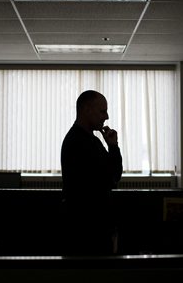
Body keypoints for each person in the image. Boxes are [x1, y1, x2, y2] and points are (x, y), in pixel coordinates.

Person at [60, 90, 123, 255]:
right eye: (102, 111)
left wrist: (112, 146)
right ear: (87, 110)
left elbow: (112, 175)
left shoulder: (86, 139)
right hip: (88, 227)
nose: (107, 116)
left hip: (87, 224)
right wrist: (113, 148)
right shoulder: (80, 142)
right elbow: (112, 177)